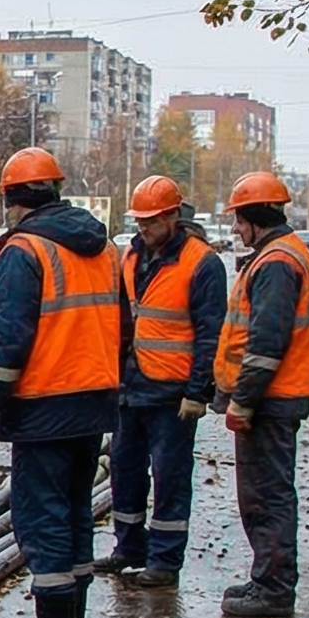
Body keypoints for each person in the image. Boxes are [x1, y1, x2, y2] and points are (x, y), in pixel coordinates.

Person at [0, 146, 123, 618]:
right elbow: (124, 324)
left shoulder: (25, 250)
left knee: (42, 515)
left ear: (11, 200)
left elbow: (9, 341)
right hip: (94, 399)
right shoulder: (103, 249)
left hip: (43, 405)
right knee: (77, 509)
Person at [99, 175, 225, 587]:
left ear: (173, 216)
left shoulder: (201, 263)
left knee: (169, 475)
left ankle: (165, 561)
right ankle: (129, 547)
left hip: (173, 394)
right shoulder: (131, 258)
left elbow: (210, 332)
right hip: (132, 386)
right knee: (125, 470)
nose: (144, 228)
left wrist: (198, 391)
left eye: (151, 221)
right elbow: (121, 321)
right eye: (140, 221)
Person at [212, 170, 309, 618]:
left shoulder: (277, 262)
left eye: (239, 220)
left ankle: (274, 588)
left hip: (269, 402)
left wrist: (243, 401)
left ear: (257, 217)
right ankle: (267, 578)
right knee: (265, 493)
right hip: (276, 398)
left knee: (267, 496)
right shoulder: (282, 255)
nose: (236, 229)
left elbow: (265, 343)